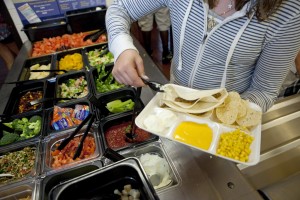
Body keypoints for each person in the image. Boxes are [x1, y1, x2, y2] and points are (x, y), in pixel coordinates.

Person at [106, 0, 300, 112]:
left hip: (224, 120)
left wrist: (221, 118)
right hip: (174, 103)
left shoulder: (290, 11)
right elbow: (120, 8)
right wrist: (122, 47)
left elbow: (263, 91)